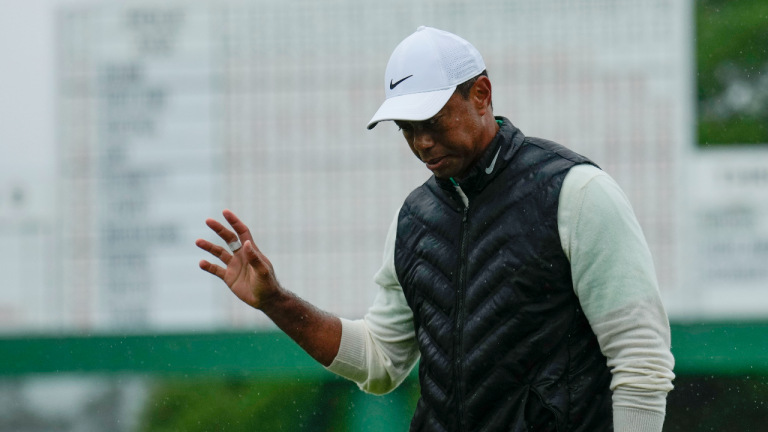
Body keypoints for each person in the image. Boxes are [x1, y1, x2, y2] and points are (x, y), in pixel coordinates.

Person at [196, 26, 674, 432]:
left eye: (433, 119)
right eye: (406, 126)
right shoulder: (414, 218)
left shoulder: (578, 193)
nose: (421, 141)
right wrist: (278, 302)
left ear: (481, 94)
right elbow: (380, 362)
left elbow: (641, 362)